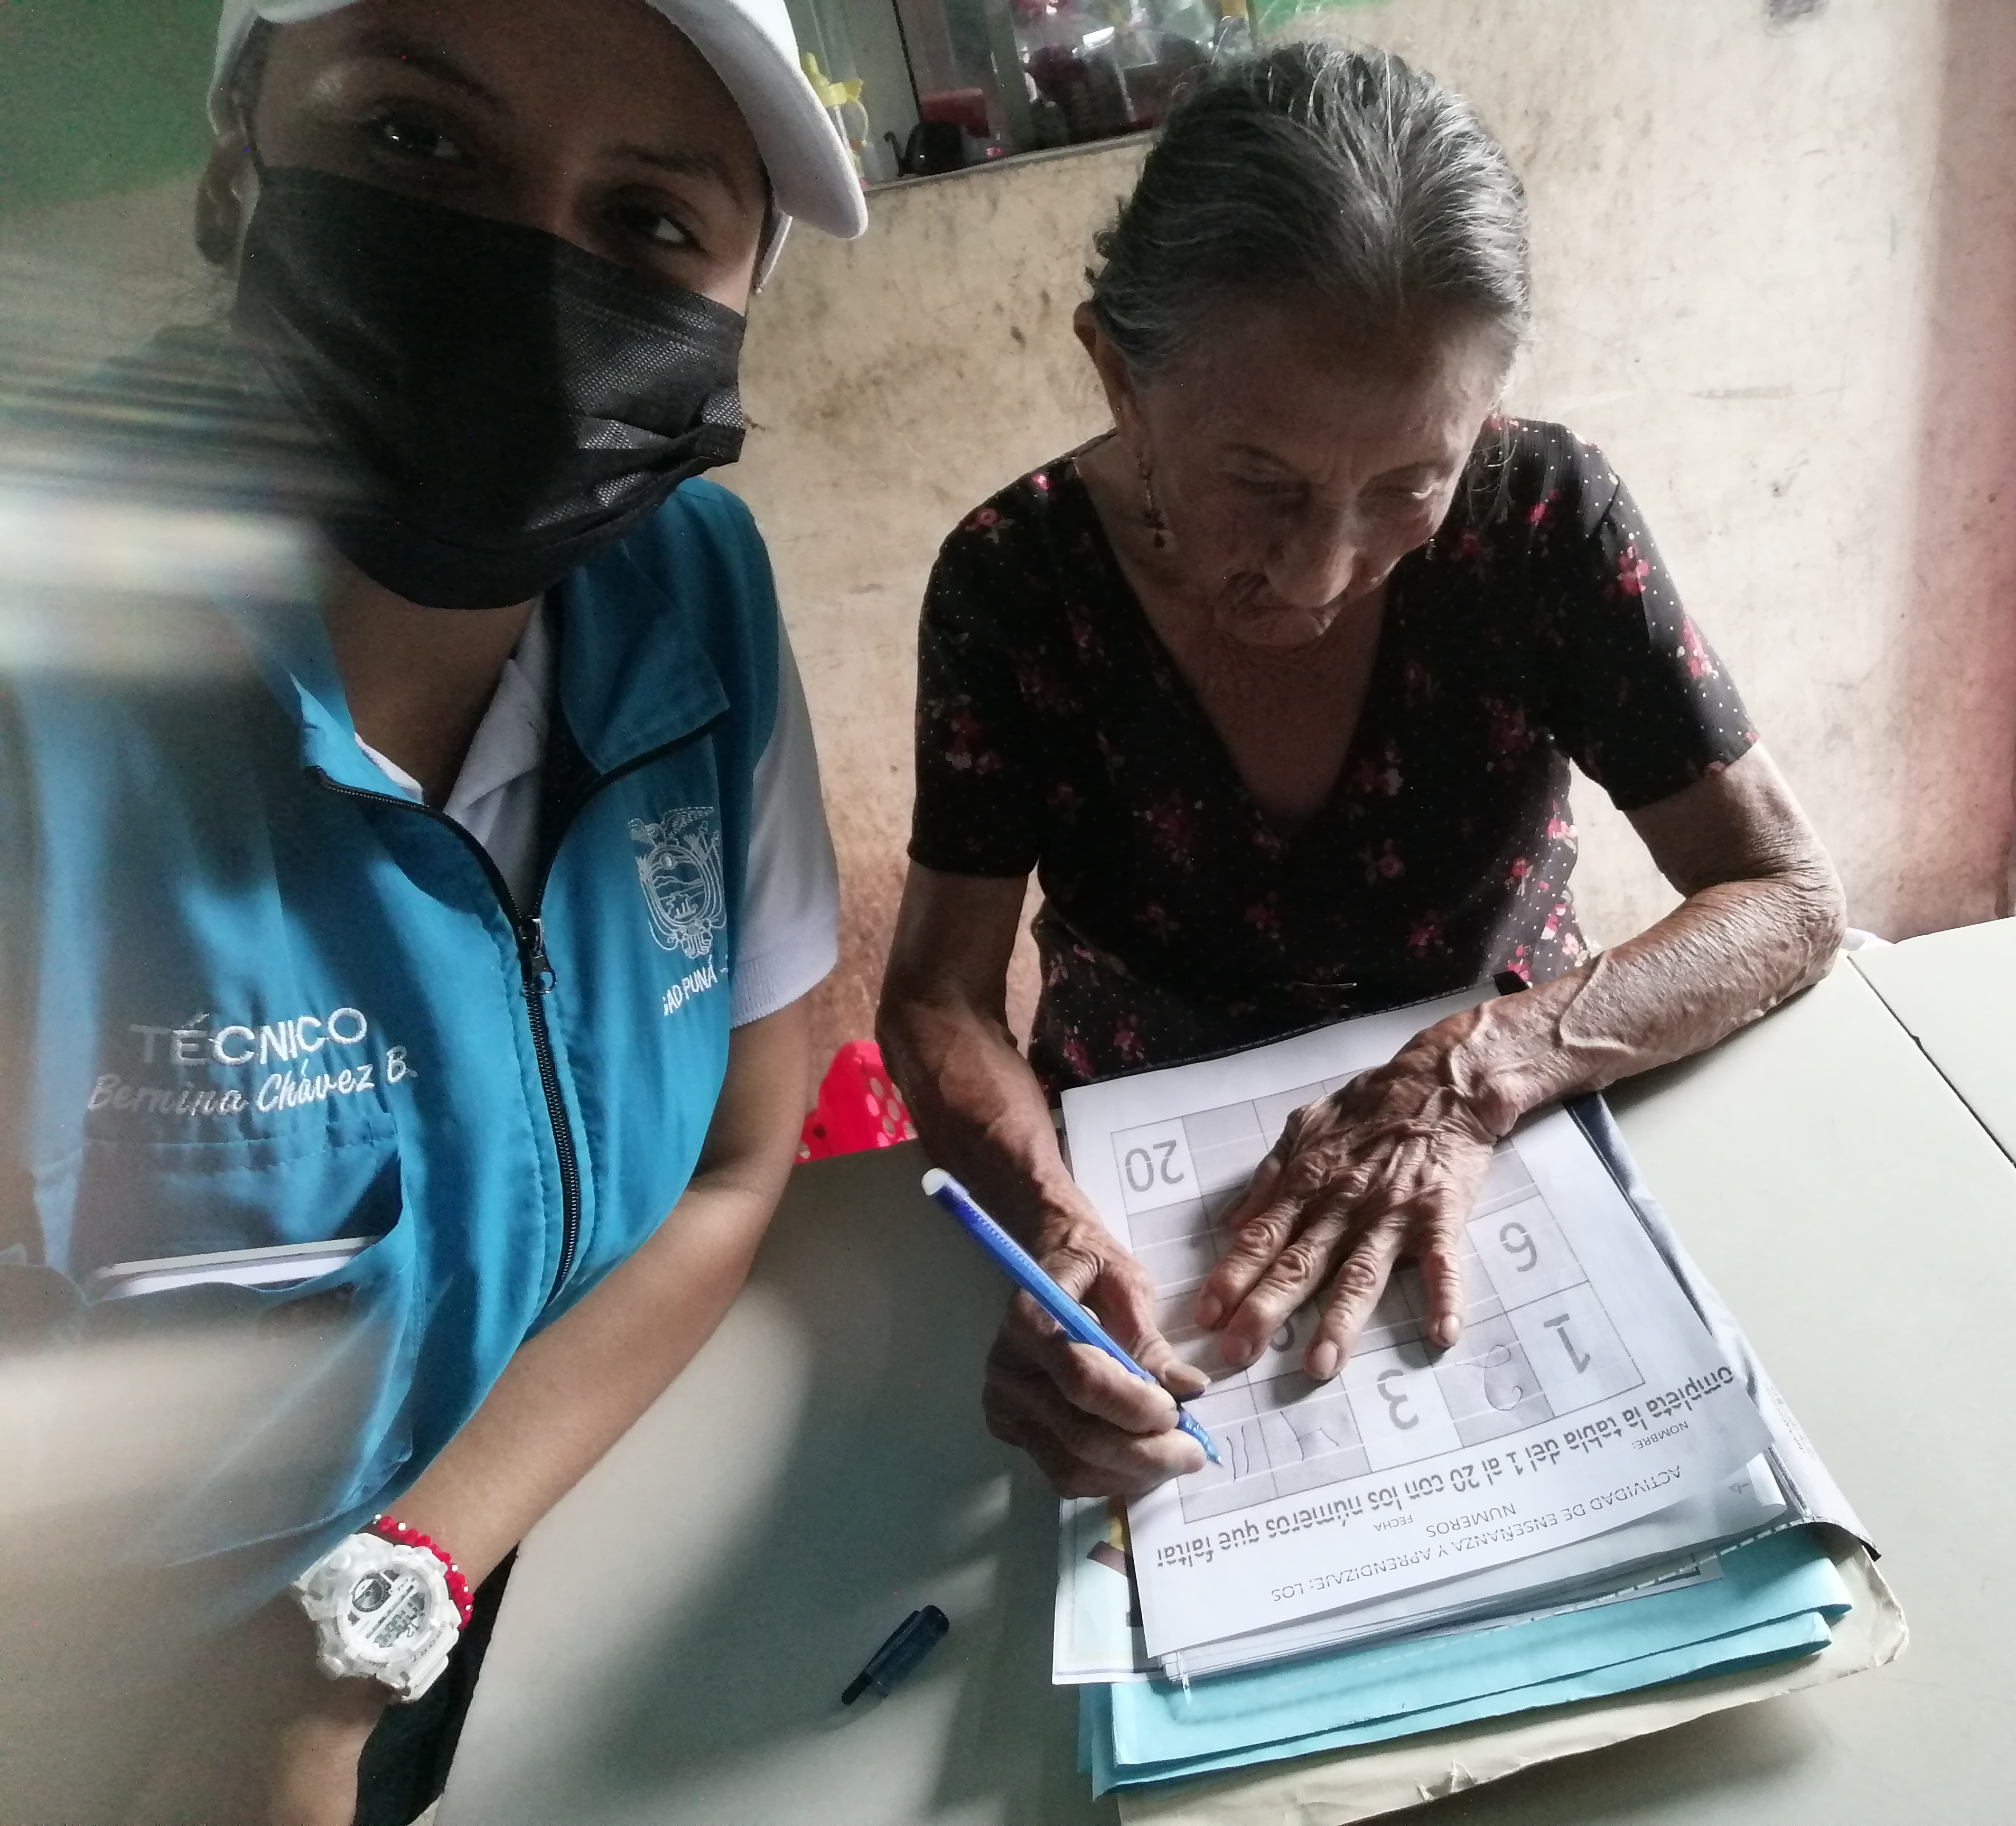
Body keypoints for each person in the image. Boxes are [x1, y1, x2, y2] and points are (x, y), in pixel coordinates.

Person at [0, 2, 862, 1820]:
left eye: (649, 221)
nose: (527, 274)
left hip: (492, 1601)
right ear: (242, 146)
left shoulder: (693, 596)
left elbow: (732, 1164)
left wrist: (352, 1634)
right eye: (415, 141)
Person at [878, 42, 1845, 1504]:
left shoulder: (1541, 518)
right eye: (1263, 485)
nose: (1324, 572)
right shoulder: (1015, 584)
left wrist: (1482, 1071)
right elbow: (939, 996)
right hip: (1152, 1218)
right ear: (1120, 374)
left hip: (1510, 1140)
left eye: (1409, 485)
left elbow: (1786, 892)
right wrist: (1051, 1228)